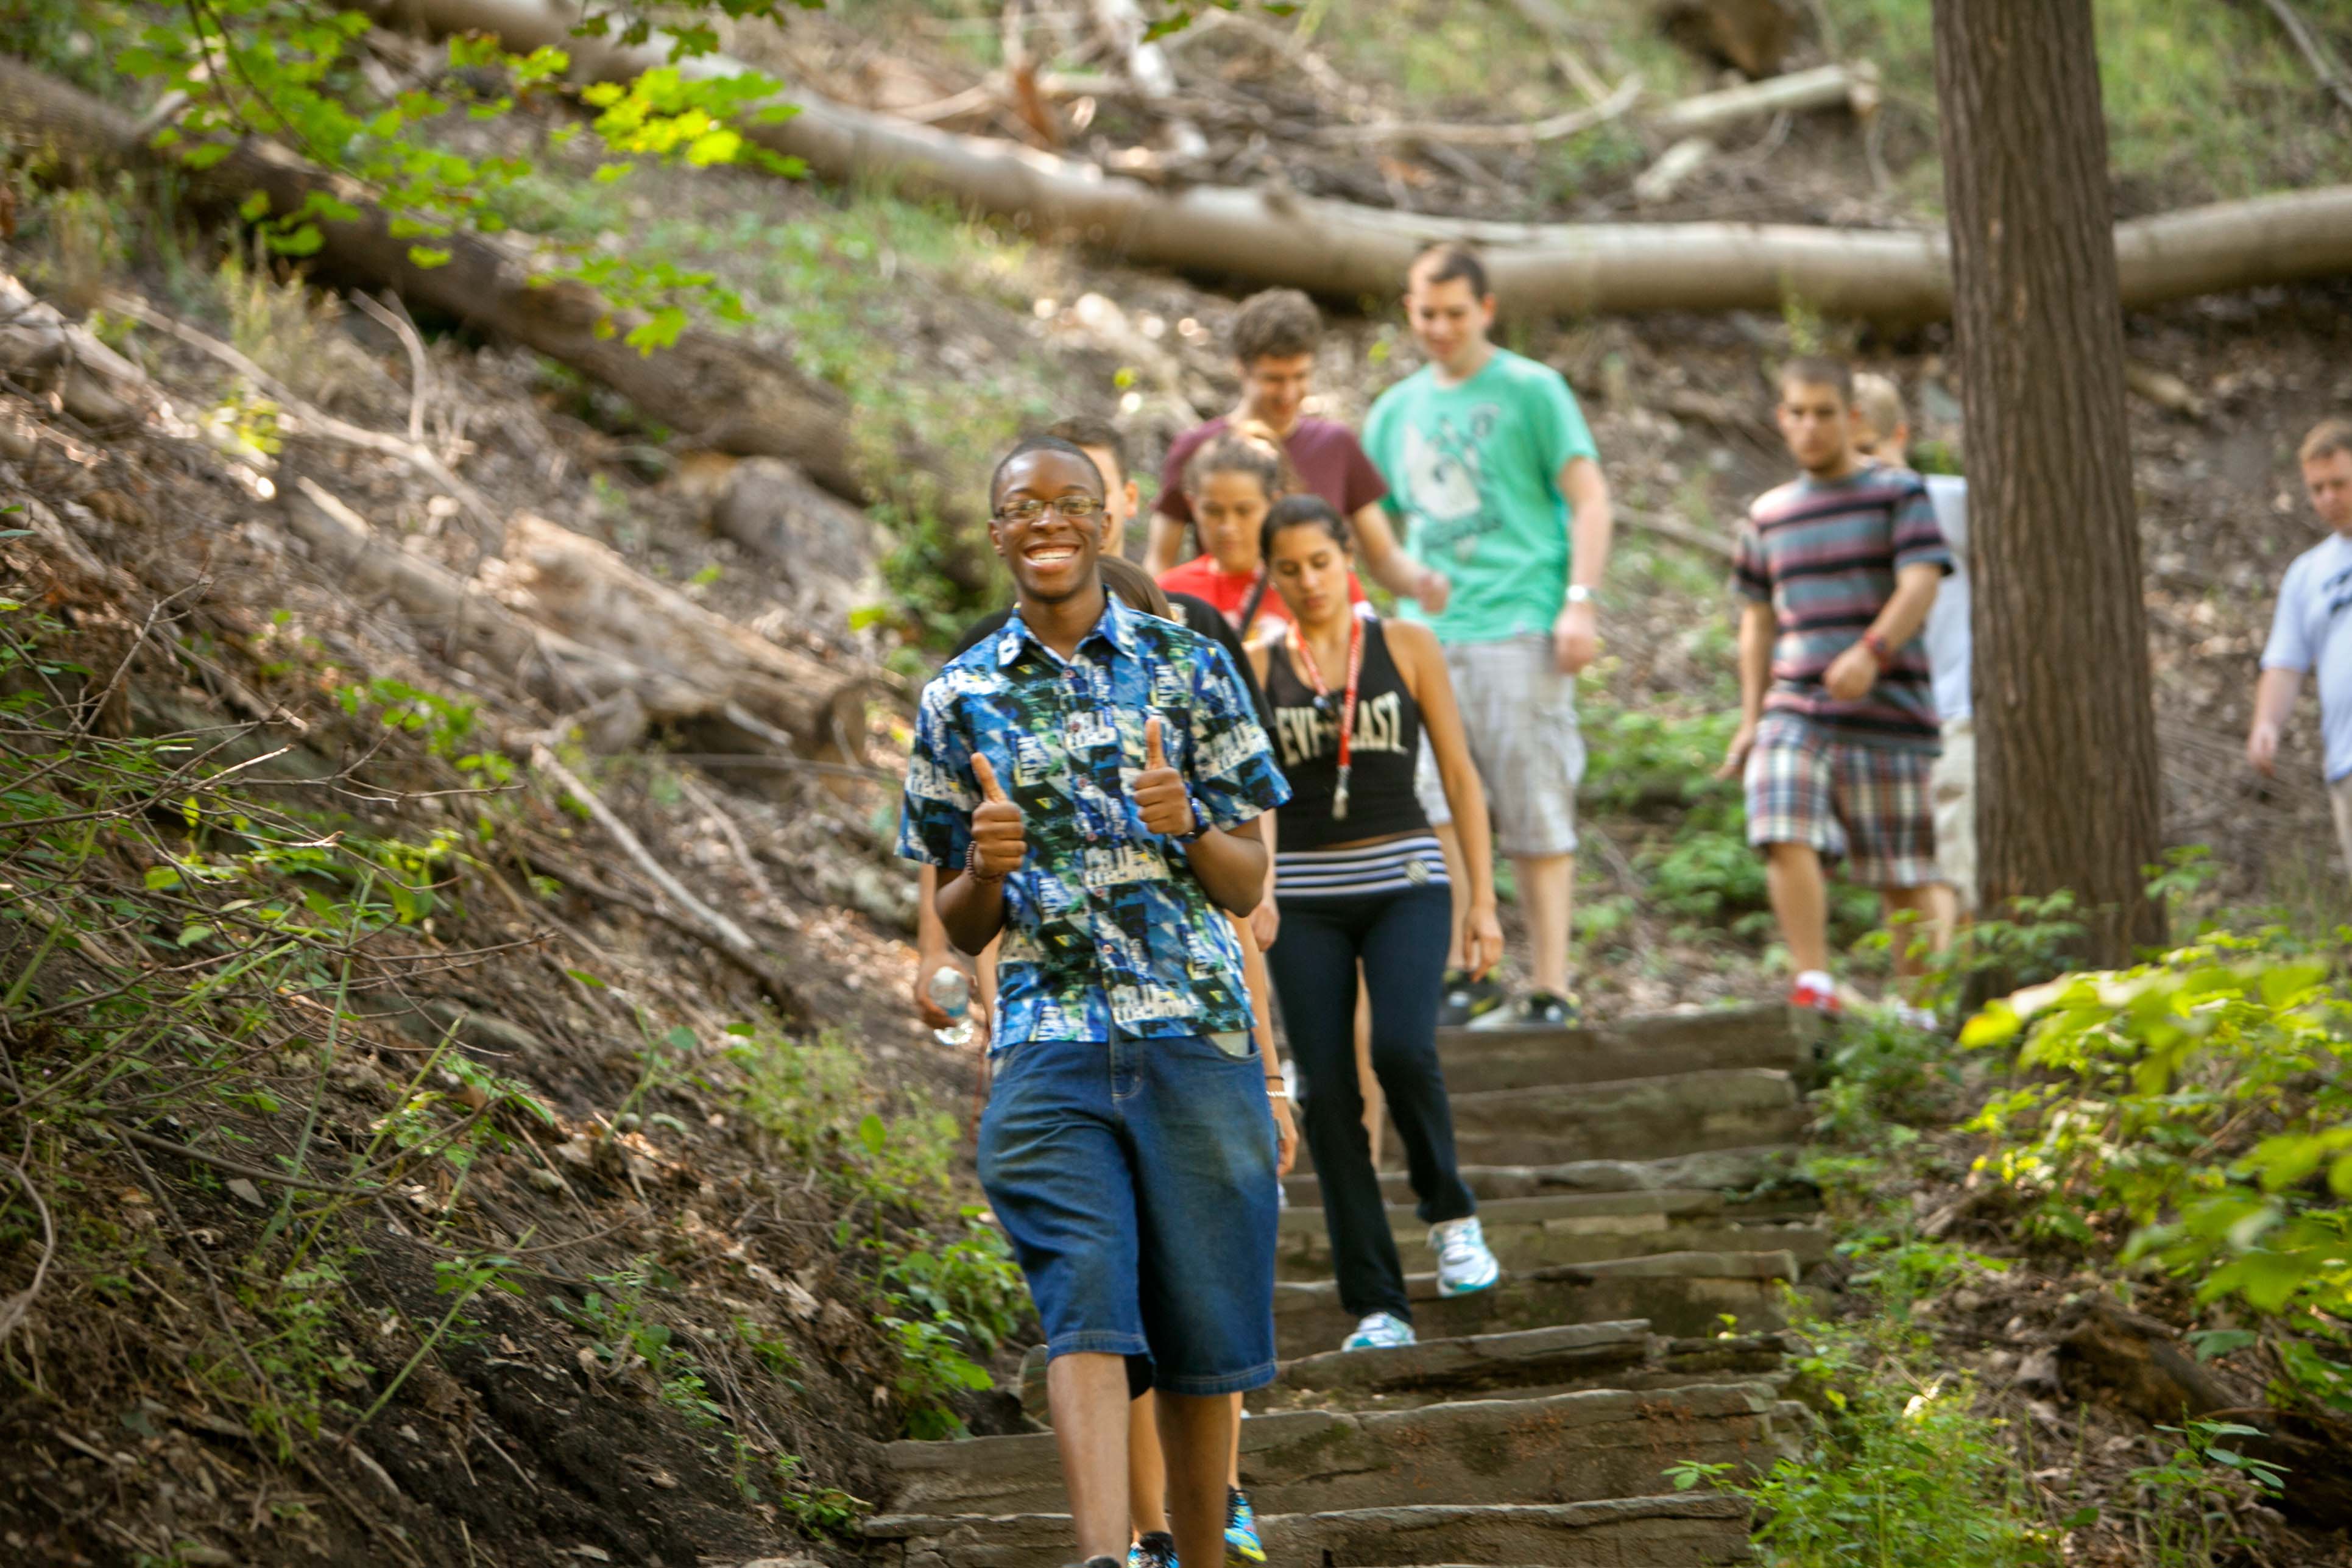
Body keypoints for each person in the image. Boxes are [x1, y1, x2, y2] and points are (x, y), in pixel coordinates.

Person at [899, 434, 1291, 1568]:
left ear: (1107, 525)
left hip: (1193, 1032)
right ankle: (1103, 1555)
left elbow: (1248, 878)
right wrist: (981, 865)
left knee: (1205, 1328)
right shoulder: (956, 697)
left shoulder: (1191, 667)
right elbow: (962, 920)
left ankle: (1202, 1552)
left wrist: (1190, 824)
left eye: (1071, 502)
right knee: (1084, 1296)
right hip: (1048, 1041)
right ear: (998, 532)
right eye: (1025, 505)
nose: (1049, 520)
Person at [1249, 496, 1506, 1352]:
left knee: (1401, 1047)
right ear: (1272, 575)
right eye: (1288, 568)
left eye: (1320, 561)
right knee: (1327, 1094)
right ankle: (1377, 1303)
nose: (1308, 581)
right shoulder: (1257, 664)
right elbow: (1255, 795)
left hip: (1406, 878)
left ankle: (1450, 1215)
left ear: (1347, 555)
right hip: (1307, 899)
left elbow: (1462, 780)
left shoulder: (1407, 645)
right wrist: (1259, 893)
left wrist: (1483, 900)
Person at [1363, 242, 1616, 1028]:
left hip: (1519, 625)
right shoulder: (1394, 411)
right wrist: (1400, 584)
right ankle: (1467, 972)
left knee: (1533, 803)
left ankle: (1552, 986)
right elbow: (1374, 530)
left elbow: (1590, 499)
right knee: (1435, 806)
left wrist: (1579, 601)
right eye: (1425, 313)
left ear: (1487, 310)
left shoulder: (1533, 391)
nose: (1439, 328)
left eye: (1455, 314)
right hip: (1428, 637)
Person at [1720, 358, 1950, 1021]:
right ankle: (1813, 980)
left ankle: (1919, 1012)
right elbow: (1757, 620)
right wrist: (1749, 716)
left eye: (1824, 413)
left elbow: (1922, 582)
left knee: (1902, 873)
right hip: (1796, 704)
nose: (1810, 427)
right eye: (1797, 413)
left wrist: (1873, 651)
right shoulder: (1768, 515)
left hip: (1891, 710)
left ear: (1852, 418)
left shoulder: (1898, 495)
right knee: (1779, 818)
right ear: (1781, 420)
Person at [1146, 287, 1449, 619]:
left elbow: (1382, 556)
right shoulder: (1200, 450)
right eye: (1273, 379)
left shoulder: (1336, 445)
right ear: (1241, 369)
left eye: (1300, 376)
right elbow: (1160, 562)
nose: (1289, 393)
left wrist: (1421, 583)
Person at [1852, 373, 1974, 945]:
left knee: (1952, 862)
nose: (1866, 467)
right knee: (1899, 868)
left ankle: (1955, 1005)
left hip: (1956, 705)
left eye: (1871, 450)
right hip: (1889, 718)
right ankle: (1918, 1007)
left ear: (1899, 434)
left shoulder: (1945, 500)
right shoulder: (1845, 520)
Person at [2248, 417, 2352, 881]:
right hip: (2346, 762)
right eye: (2317, 489)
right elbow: (2285, 662)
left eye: (2339, 484)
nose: (2328, 498)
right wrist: (2266, 724)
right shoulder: (2307, 573)